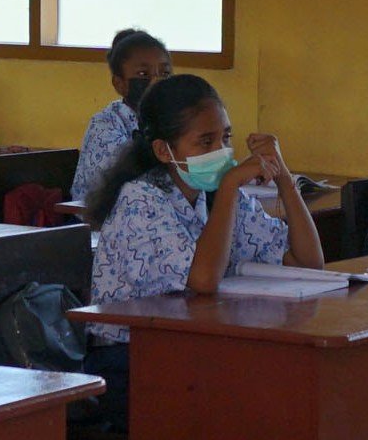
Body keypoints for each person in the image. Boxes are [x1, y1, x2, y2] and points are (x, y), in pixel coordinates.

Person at [90, 72, 324, 305]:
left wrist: (283, 177)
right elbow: (203, 279)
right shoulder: (139, 200)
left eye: (226, 137)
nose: (221, 150)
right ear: (163, 150)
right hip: (131, 340)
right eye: (206, 141)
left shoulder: (221, 195)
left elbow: (308, 265)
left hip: (197, 329)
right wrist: (229, 186)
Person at [70, 29, 171, 209]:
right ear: (120, 84)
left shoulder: (173, 119)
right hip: (104, 221)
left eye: (164, 73)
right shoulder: (105, 124)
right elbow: (126, 179)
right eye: (143, 74)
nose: (157, 82)